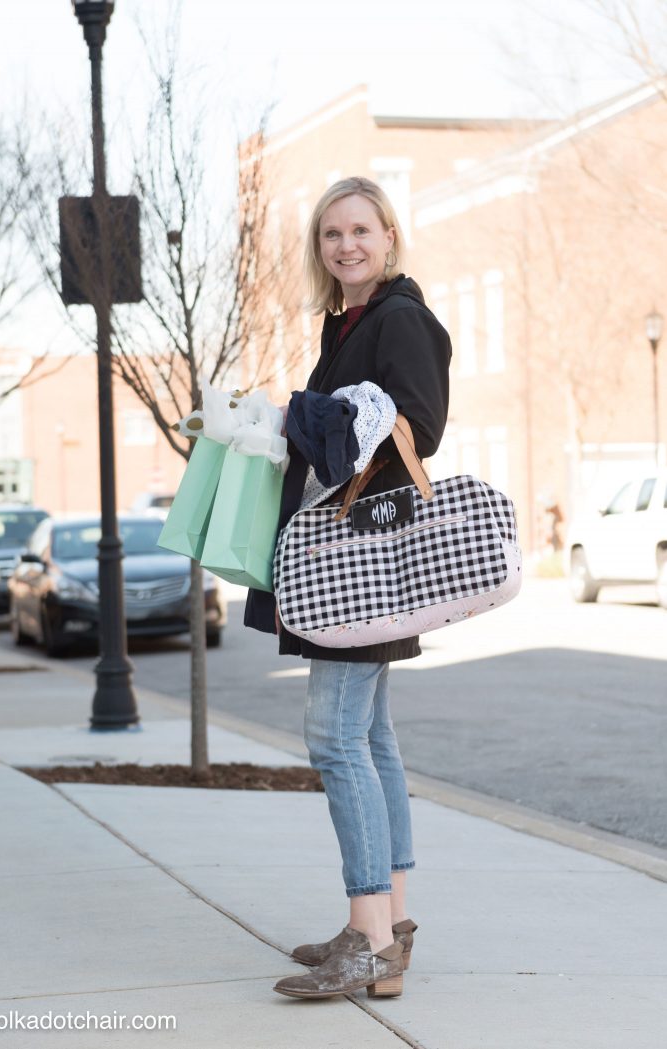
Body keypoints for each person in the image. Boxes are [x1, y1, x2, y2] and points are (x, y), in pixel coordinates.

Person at [245, 176, 452, 1000]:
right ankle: (386, 928)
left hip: (362, 562)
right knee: (370, 740)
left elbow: (420, 424)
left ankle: (369, 940)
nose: (346, 245)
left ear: (389, 237)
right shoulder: (350, 320)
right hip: (356, 558)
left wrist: (311, 415)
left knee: (334, 738)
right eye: (332, 234)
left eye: (361, 229)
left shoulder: (401, 317)